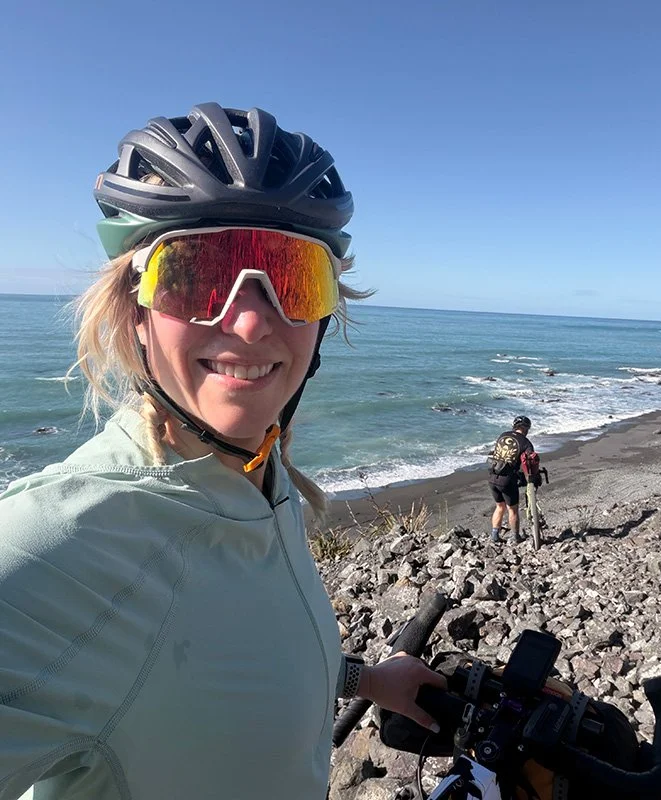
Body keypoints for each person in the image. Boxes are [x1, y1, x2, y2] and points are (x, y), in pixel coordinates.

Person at [0, 103, 446, 800]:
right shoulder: (66, 548)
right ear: (135, 310)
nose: (249, 320)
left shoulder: (261, 478)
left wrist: (366, 680)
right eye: (197, 272)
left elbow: (229, 649)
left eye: (293, 277)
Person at [487, 415, 539, 543]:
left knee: (500, 506)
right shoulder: (526, 443)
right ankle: (515, 537)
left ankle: (494, 536)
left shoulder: (503, 435)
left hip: (492, 476)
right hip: (507, 479)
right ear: (526, 428)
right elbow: (529, 462)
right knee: (512, 509)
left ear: (514, 426)